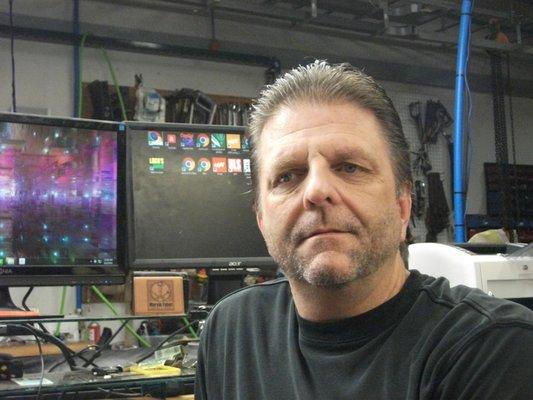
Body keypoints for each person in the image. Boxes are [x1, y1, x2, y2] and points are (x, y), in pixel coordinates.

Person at [195, 61, 533, 399]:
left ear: (403, 205)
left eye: (349, 167)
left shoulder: (495, 349)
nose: (316, 190)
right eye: (287, 176)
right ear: (261, 219)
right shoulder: (231, 331)